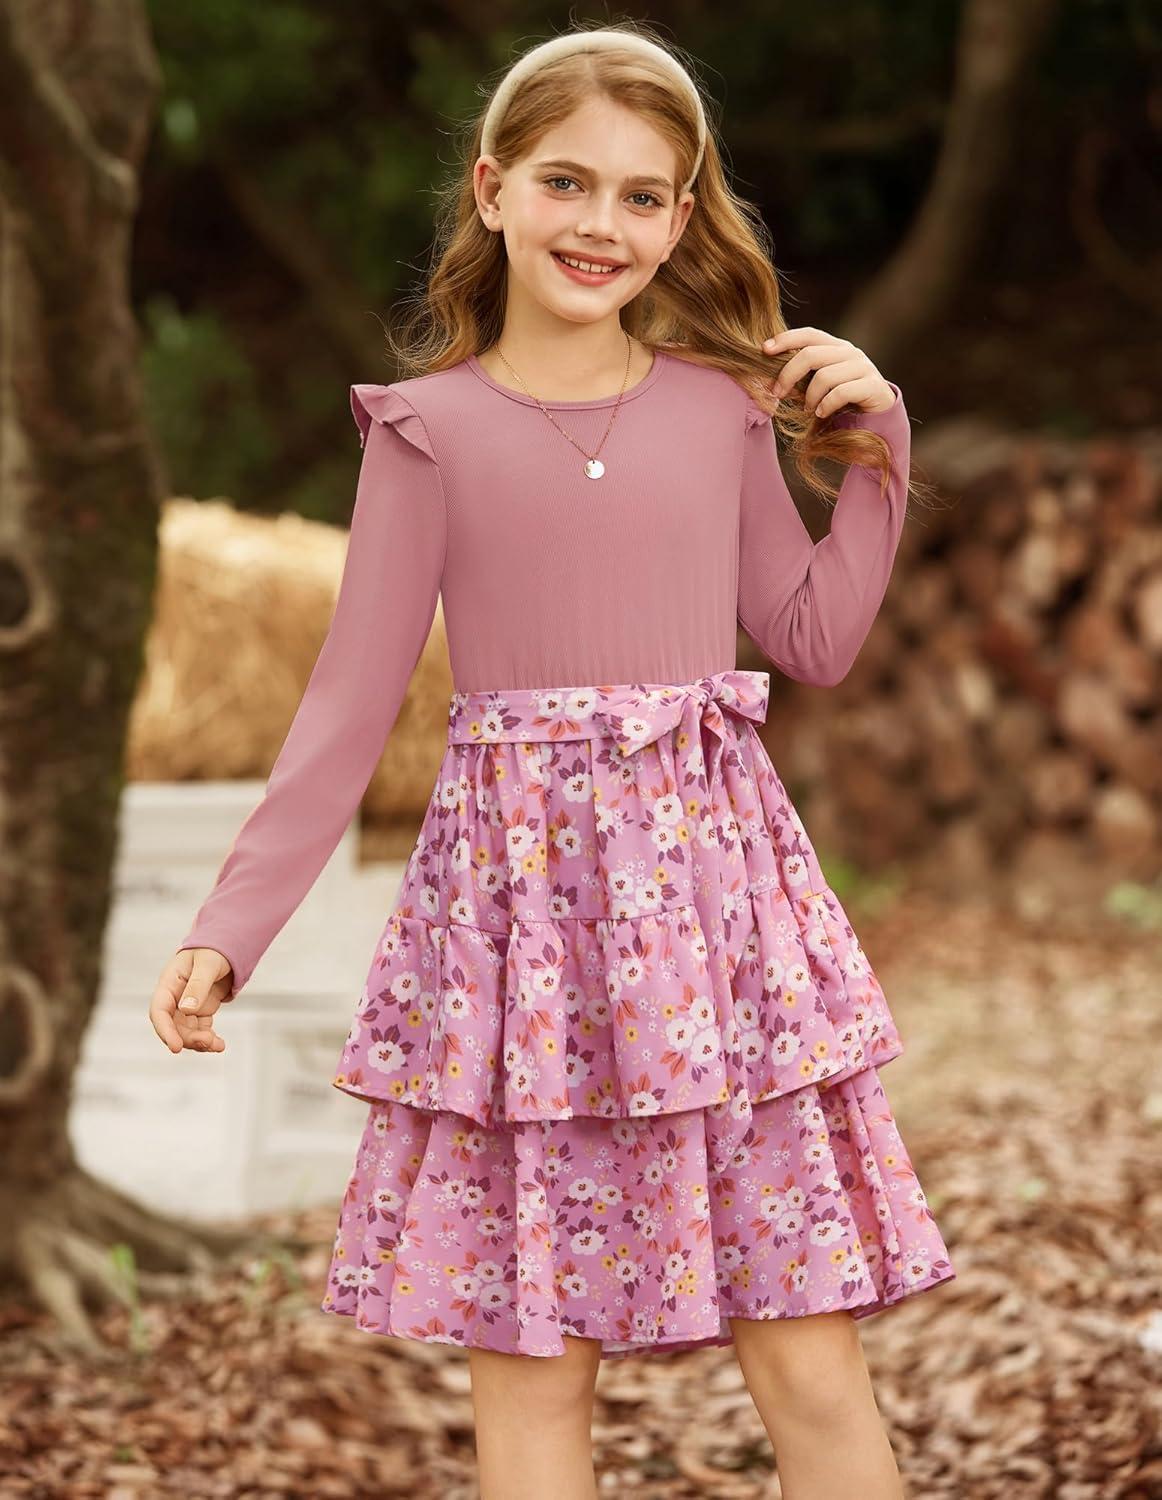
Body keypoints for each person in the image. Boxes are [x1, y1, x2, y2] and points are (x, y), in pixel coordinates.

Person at [149, 21, 955, 1500]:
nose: (601, 225)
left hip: (720, 937)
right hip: (519, 947)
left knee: (807, 1358)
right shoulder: (427, 433)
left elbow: (811, 636)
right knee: (534, 1372)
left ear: (682, 218)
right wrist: (229, 928)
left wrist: (877, 444)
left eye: (643, 196)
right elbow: (347, 704)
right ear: (493, 189)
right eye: (567, 183)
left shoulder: (720, 408)